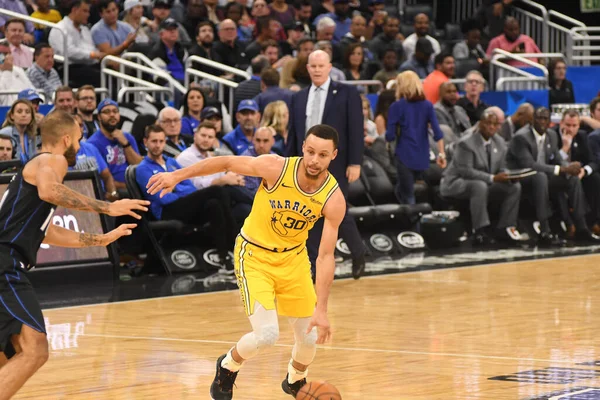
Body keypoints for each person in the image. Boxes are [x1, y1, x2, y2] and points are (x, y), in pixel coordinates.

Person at [146, 124, 346, 400]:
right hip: (254, 255)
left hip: (294, 260)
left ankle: (295, 380)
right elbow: (227, 161)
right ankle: (228, 366)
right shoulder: (275, 168)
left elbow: (325, 257)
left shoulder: (333, 198)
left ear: (333, 155)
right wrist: (177, 175)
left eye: (322, 155)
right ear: (303, 148)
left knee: (309, 337)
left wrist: (322, 309)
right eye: (310, 152)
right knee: (266, 335)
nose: (314, 160)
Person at [0, 110, 148, 400]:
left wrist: (101, 238)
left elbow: (49, 231)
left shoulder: (34, 167)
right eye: (79, 140)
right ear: (66, 139)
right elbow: (49, 190)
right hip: (4, 263)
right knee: (35, 350)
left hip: (6, 260)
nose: (80, 147)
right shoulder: (51, 160)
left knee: (10, 355)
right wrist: (107, 207)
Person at [286, 50, 365, 280]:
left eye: (321, 65)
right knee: (308, 211)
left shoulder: (347, 92)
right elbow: (293, 134)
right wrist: (290, 163)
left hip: (338, 162)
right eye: (313, 66)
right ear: (308, 68)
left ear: (330, 67)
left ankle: (358, 252)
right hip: (306, 163)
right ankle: (310, 265)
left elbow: (356, 130)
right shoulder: (298, 97)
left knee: (338, 210)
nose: (317, 70)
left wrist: (355, 162)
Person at [137, 124, 238, 271]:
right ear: (145, 142)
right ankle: (238, 244)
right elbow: (162, 198)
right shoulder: (142, 169)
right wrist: (178, 188)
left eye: (160, 141)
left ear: (165, 142)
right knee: (217, 190)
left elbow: (190, 186)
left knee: (214, 204)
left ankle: (225, 257)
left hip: (184, 206)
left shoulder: (171, 162)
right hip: (167, 211)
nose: (158, 145)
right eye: (154, 141)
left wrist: (175, 187)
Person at [506, 107, 599, 244]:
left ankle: (582, 228)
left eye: (545, 119)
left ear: (550, 122)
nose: (542, 122)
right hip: (521, 176)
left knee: (572, 179)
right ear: (532, 120)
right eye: (539, 118)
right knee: (541, 176)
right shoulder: (521, 137)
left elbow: (557, 158)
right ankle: (545, 231)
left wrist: (569, 168)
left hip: (543, 175)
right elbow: (531, 165)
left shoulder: (551, 135)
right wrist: (561, 169)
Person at [440, 110, 522, 245]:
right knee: (479, 185)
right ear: (480, 124)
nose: (491, 127)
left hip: (484, 181)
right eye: (488, 123)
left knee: (514, 187)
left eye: (495, 124)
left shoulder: (500, 142)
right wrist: (494, 178)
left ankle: (505, 228)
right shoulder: (466, 143)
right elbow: (466, 172)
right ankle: (480, 231)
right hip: (455, 183)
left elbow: (501, 167)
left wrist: (508, 175)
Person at [386, 71, 446, 204]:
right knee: (401, 190)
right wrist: (441, 154)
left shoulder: (396, 107)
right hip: (423, 156)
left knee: (408, 196)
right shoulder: (428, 105)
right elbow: (437, 132)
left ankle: (414, 224)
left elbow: (389, 135)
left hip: (404, 155)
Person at [0, 99, 38, 164]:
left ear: (31, 116)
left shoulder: (32, 135)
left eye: (27, 112)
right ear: (12, 115)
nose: (24, 115)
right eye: (19, 112)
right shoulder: (4, 133)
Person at [240, 126, 276, 194]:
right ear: (253, 140)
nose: (261, 145)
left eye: (265, 141)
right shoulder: (246, 159)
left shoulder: (276, 158)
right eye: (258, 140)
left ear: (273, 141)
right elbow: (254, 191)